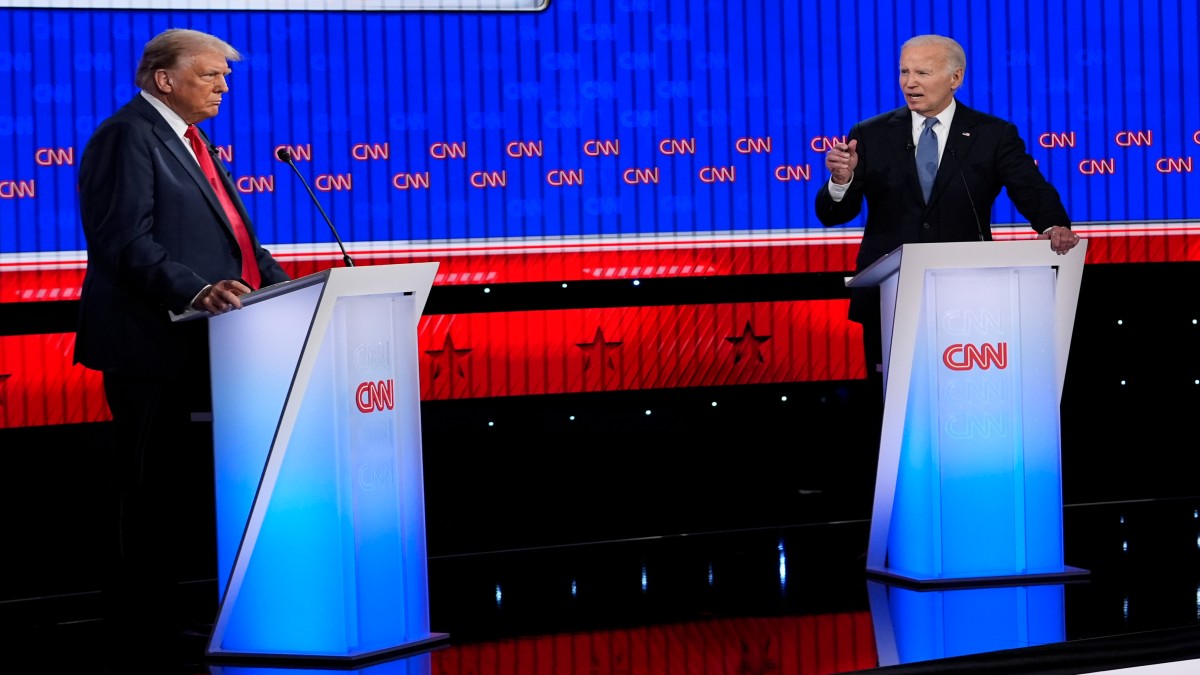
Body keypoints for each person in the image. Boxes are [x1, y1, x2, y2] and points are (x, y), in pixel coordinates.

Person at [73, 28, 290, 646]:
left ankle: (175, 613)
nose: (223, 87)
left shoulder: (193, 140)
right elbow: (124, 242)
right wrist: (195, 291)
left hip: (206, 345)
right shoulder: (127, 136)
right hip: (151, 346)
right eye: (210, 75)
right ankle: (141, 622)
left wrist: (289, 287)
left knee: (183, 487)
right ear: (164, 79)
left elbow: (237, 243)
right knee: (150, 487)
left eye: (225, 76)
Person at [816, 34, 1082, 404]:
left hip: (969, 297)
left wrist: (1053, 226)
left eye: (922, 73)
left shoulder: (992, 134)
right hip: (889, 297)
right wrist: (841, 181)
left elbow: (1031, 189)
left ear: (955, 78)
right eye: (904, 72)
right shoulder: (869, 134)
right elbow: (834, 214)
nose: (910, 82)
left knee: (965, 399)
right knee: (890, 405)